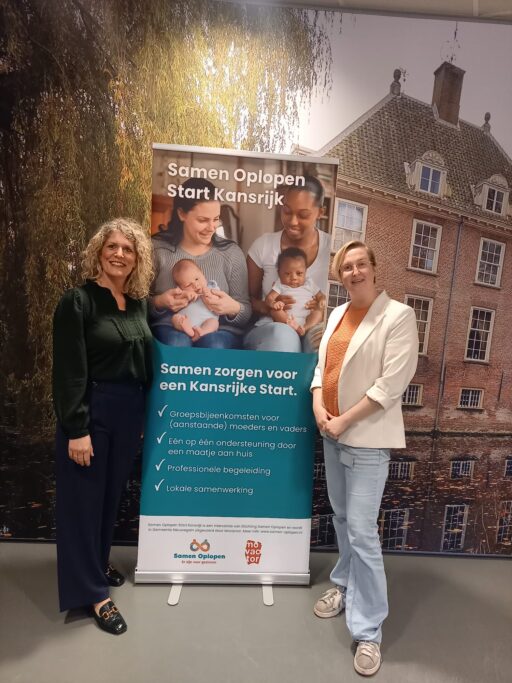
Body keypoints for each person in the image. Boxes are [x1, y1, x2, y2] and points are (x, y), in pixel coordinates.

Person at [310, 240, 418, 676]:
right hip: (332, 434)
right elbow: (322, 370)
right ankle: (343, 585)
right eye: (346, 267)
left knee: (362, 532)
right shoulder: (337, 313)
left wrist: (343, 420)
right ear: (340, 275)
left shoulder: (399, 316)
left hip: (366, 440)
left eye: (360, 265)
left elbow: (391, 385)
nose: (353, 272)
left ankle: (369, 630)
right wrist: (318, 405)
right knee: (341, 520)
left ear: (374, 268)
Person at [52, 218, 154, 635]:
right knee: (83, 502)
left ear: (137, 259)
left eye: (128, 249)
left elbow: (142, 363)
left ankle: (96, 562)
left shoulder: (137, 304)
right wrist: (77, 428)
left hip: (128, 412)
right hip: (92, 411)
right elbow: (69, 371)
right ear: (99, 251)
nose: (119, 254)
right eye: (112, 246)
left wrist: (141, 416)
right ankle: (94, 594)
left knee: (109, 499)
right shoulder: (78, 302)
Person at [150, 178, 251, 348]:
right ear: (182, 214)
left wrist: (232, 308)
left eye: (216, 219)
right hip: (170, 328)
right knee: (177, 342)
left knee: (214, 344)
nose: (212, 227)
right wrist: (159, 302)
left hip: (219, 332)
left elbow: (246, 311)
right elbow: (135, 304)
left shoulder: (231, 253)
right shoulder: (157, 249)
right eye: (203, 220)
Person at [244, 175, 329, 353]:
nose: (292, 221)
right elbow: (245, 300)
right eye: (287, 211)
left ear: (320, 212)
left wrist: (321, 306)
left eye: (303, 215)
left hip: (312, 325)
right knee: (284, 338)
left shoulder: (331, 247)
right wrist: (270, 307)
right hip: (272, 327)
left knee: (321, 342)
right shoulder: (263, 245)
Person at [263, 247, 324, 337]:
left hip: (307, 317)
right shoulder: (280, 284)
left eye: (299, 273)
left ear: (305, 272)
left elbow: (321, 296)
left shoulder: (309, 283)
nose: (294, 278)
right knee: (275, 311)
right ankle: (294, 326)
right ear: (279, 273)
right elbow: (269, 298)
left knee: (318, 312)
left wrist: (322, 301)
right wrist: (273, 303)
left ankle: (304, 328)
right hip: (288, 319)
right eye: (287, 274)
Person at [169, 259, 220, 341]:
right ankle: (188, 330)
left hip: (206, 321)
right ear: (181, 287)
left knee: (214, 323)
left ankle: (202, 332)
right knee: (175, 318)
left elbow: (218, 304)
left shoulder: (212, 288)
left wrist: (209, 295)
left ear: (203, 274)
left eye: (197, 279)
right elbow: (175, 302)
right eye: (189, 285)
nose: (195, 285)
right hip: (186, 320)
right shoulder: (182, 293)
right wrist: (186, 296)